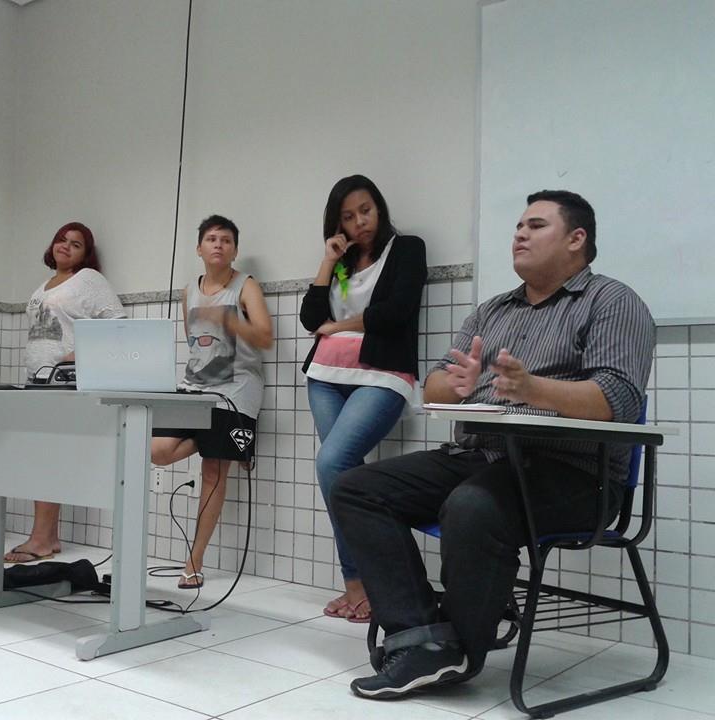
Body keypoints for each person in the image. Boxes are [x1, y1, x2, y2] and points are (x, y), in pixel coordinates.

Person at [332, 190, 654, 699]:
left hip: (575, 474)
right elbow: (435, 384)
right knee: (355, 488)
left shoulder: (612, 302)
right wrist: (455, 386)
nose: (520, 234)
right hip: (481, 456)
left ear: (577, 239)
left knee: (474, 505)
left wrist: (533, 389)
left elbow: (619, 399)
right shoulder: (492, 310)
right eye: (518, 226)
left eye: (536, 225)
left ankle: (460, 648)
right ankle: (422, 638)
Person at [299, 175, 427, 622]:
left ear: (380, 208)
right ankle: (361, 585)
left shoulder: (407, 249)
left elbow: (397, 311)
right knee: (342, 474)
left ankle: (365, 582)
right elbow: (310, 318)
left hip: (382, 375)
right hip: (325, 376)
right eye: (348, 216)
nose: (359, 222)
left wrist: (339, 326)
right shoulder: (342, 263)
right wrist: (327, 261)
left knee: (332, 463)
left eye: (366, 211)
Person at [151, 215, 272, 588]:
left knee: (212, 471)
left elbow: (265, 337)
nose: (219, 244)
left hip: (235, 388)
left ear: (234, 250)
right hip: (194, 386)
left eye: (226, 240)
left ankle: (194, 560)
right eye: (212, 239)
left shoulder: (245, 286)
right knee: (158, 451)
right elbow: (194, 340)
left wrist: (232, 322)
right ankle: (234, 446)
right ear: (199, 248)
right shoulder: (189, 290)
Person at [4, 221, 126, 563]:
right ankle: (49, 536)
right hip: (38, 380)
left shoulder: (89, 280)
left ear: (86, 254)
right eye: (62, 240)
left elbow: (118, 323)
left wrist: (79, 354)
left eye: (76, 244)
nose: (66, 246)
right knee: (42, 455)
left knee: (48, 455)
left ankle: (40, 539)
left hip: (65, 381)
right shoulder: (43, 286)